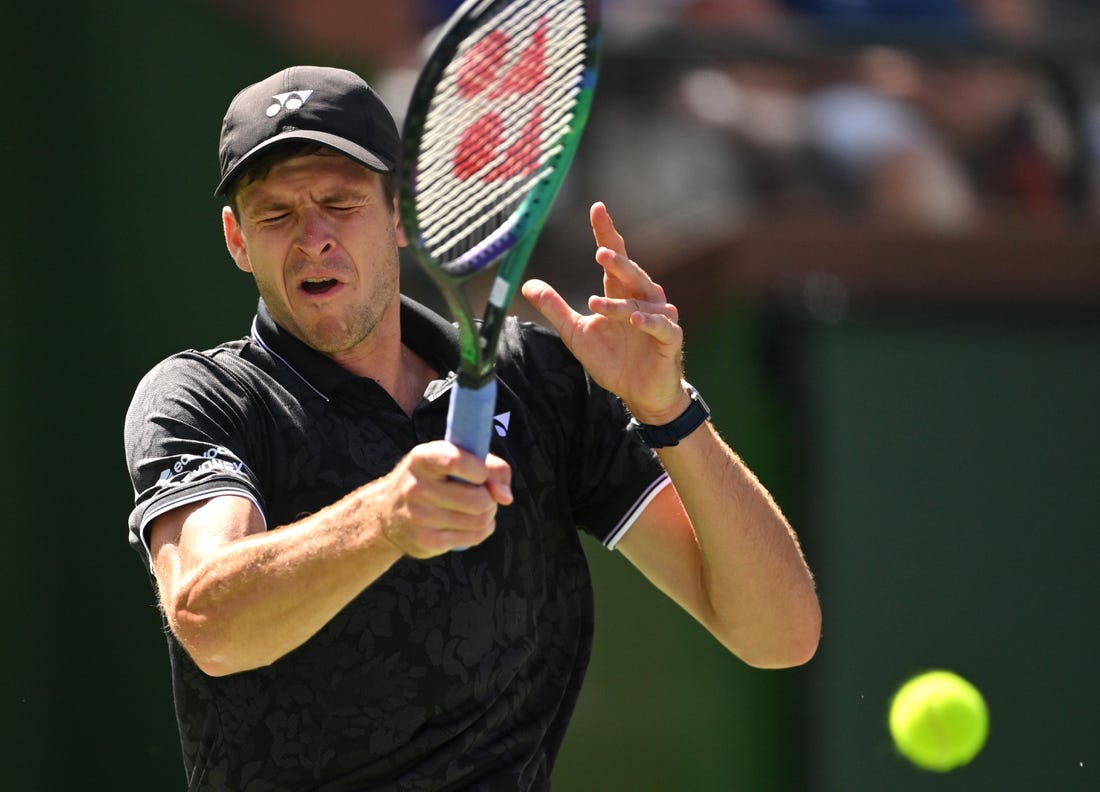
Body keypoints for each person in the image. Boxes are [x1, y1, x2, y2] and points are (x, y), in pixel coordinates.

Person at [124, 64, 820, 791]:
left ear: (399, 215)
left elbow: (779, 634)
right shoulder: (203, 398)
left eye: (340, 202)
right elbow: (209, 622)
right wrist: (385, 519)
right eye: (276, 214)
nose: (313, 238)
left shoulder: (545, 385)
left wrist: (670, 412)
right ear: (237, 239)